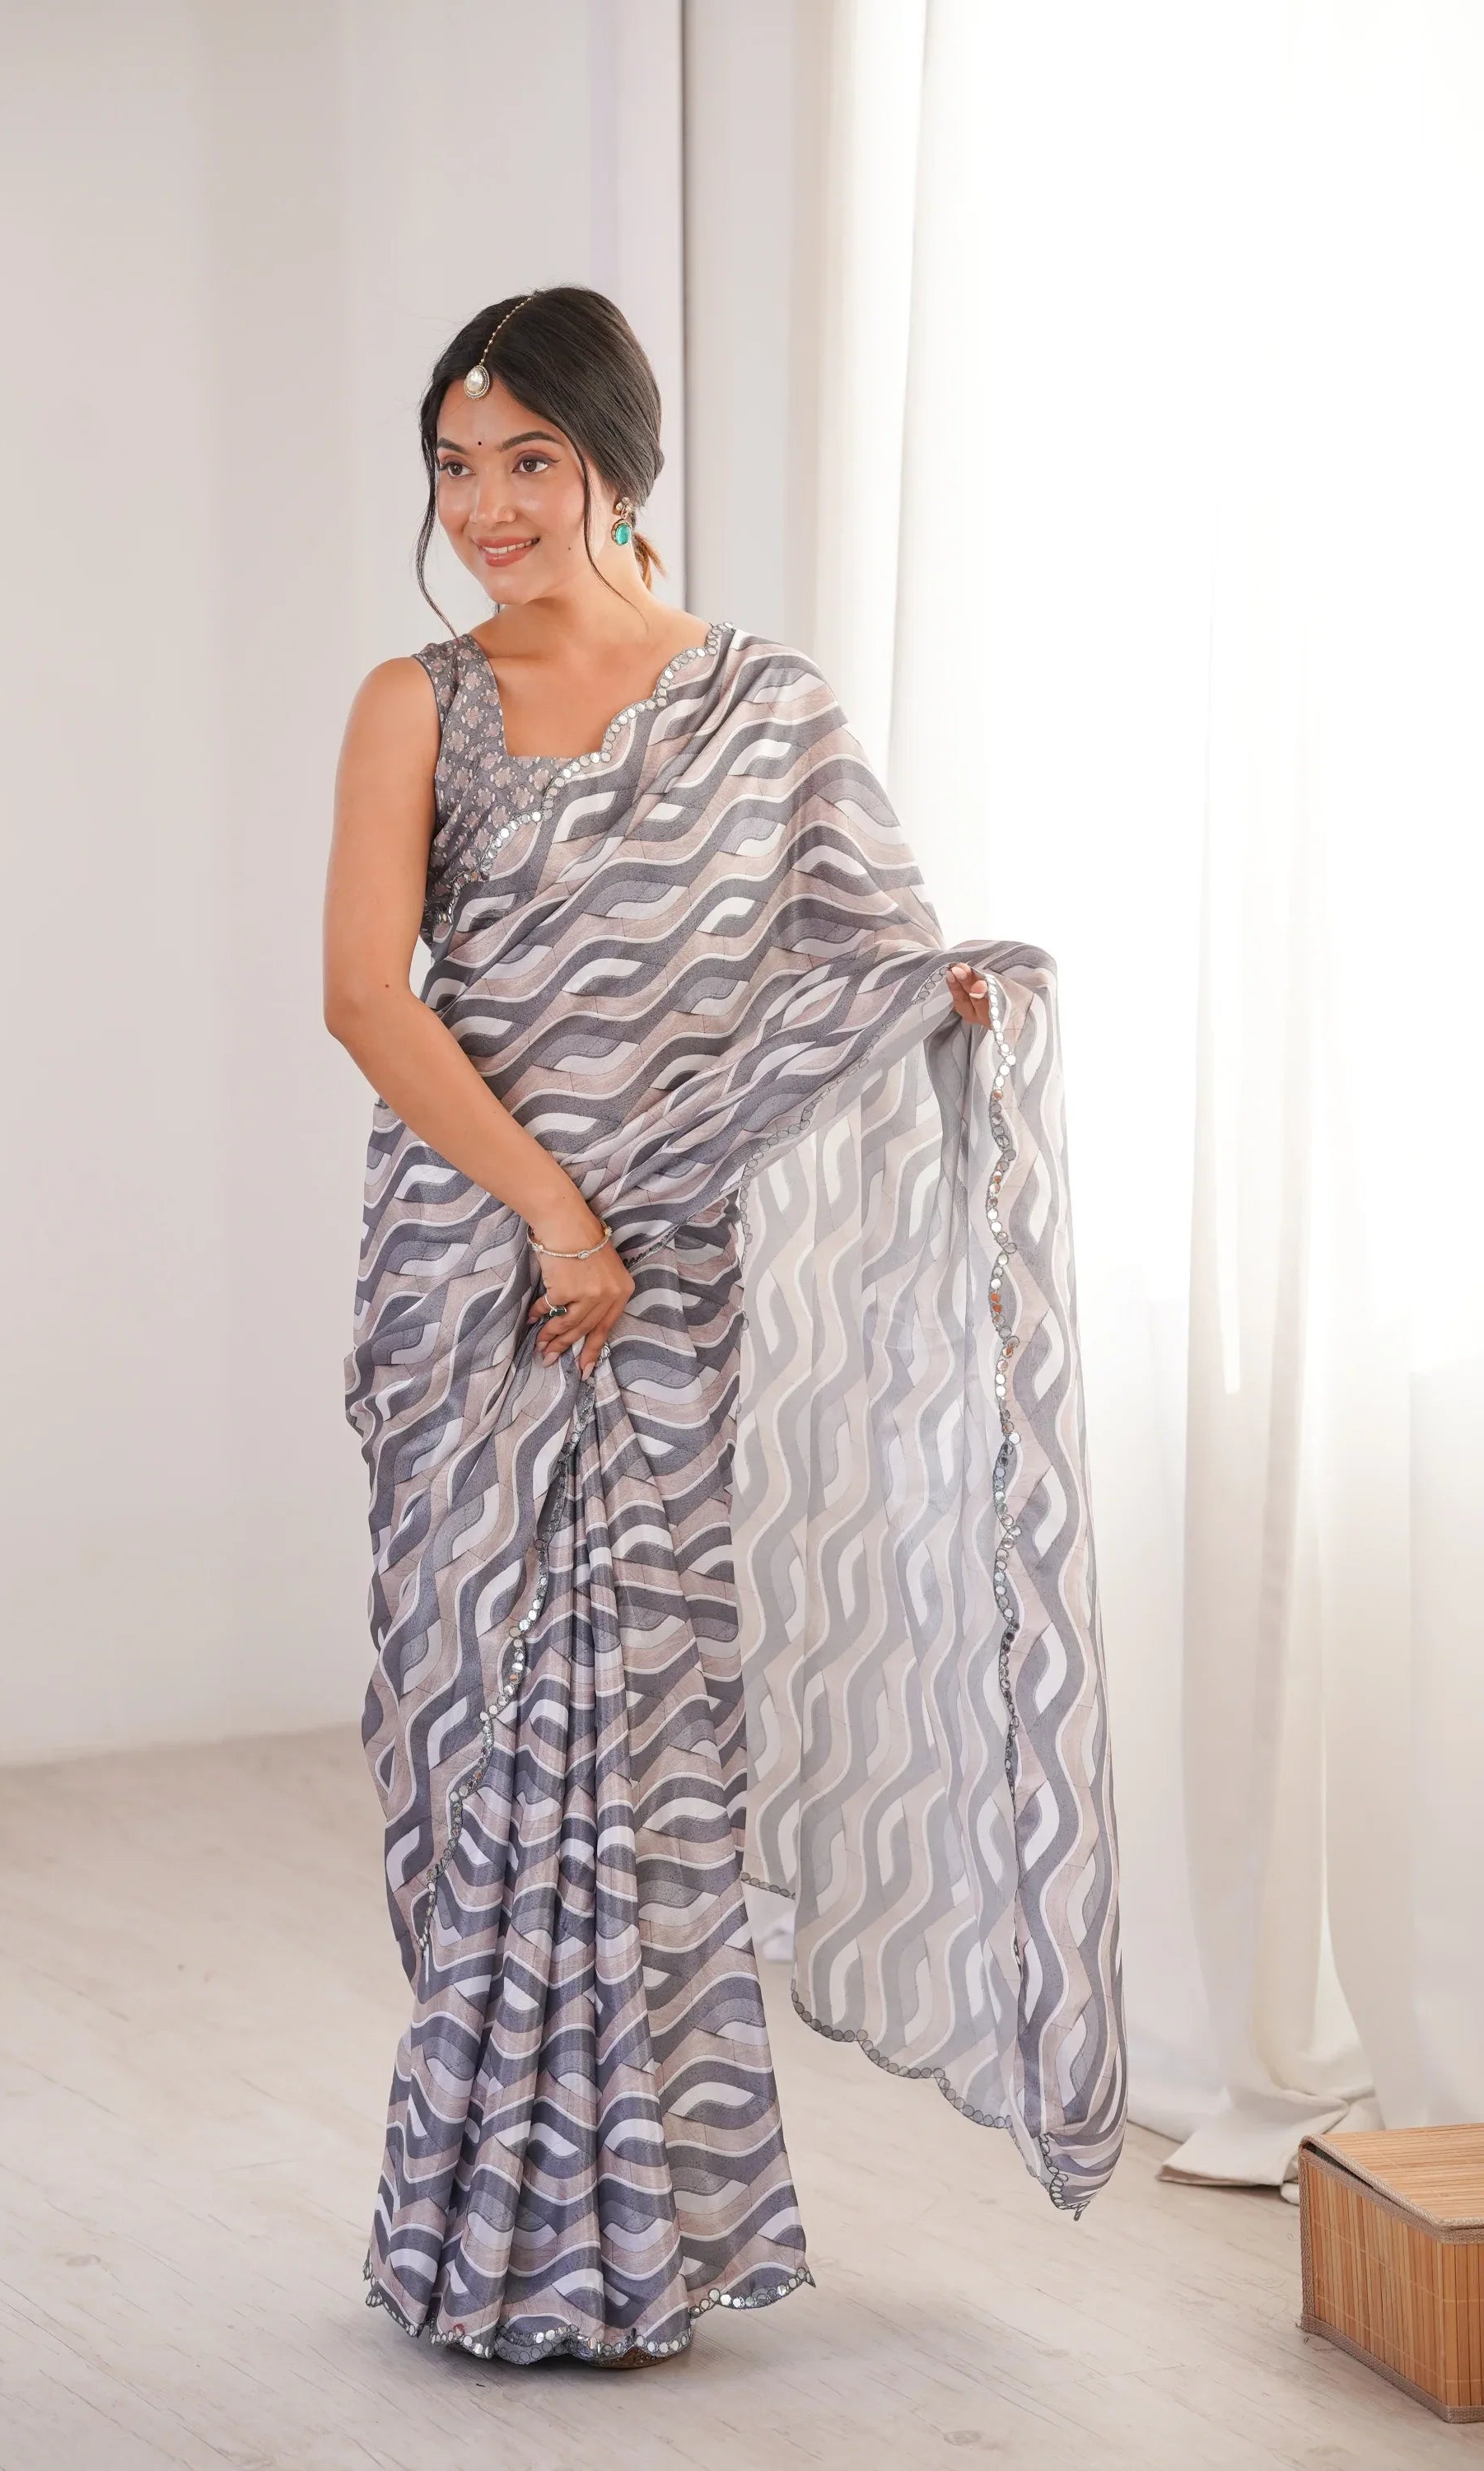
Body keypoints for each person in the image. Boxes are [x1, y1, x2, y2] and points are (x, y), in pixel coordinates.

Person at [324, 286, 1126, 2371]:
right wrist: (549, 1214)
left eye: (525, 460)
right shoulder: (417, 701)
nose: (485, 506)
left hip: (666, 1288)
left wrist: (939, 1005)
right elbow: (367, 1000)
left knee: (657, 1754)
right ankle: (478, 2235)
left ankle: (637, 2242)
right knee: (485, 1745)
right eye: (453, 465)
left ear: (614, 461)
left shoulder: (761, 706)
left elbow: (864, 947)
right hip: (479, 1277)